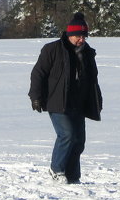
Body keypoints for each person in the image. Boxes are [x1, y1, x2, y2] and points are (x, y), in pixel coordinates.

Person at [29, 11, 103, 184]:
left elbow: (93, 80)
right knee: (67, 135)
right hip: (57, 102)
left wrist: (97, 100)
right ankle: (57, 170)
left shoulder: (88, 53)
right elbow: (38, 73)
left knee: (78, 141)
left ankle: (72, 175)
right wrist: (36, 96)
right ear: (69, 34)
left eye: (84, 36)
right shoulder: (52, 49)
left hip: (79, 102)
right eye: (78, 36)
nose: (81, 39)